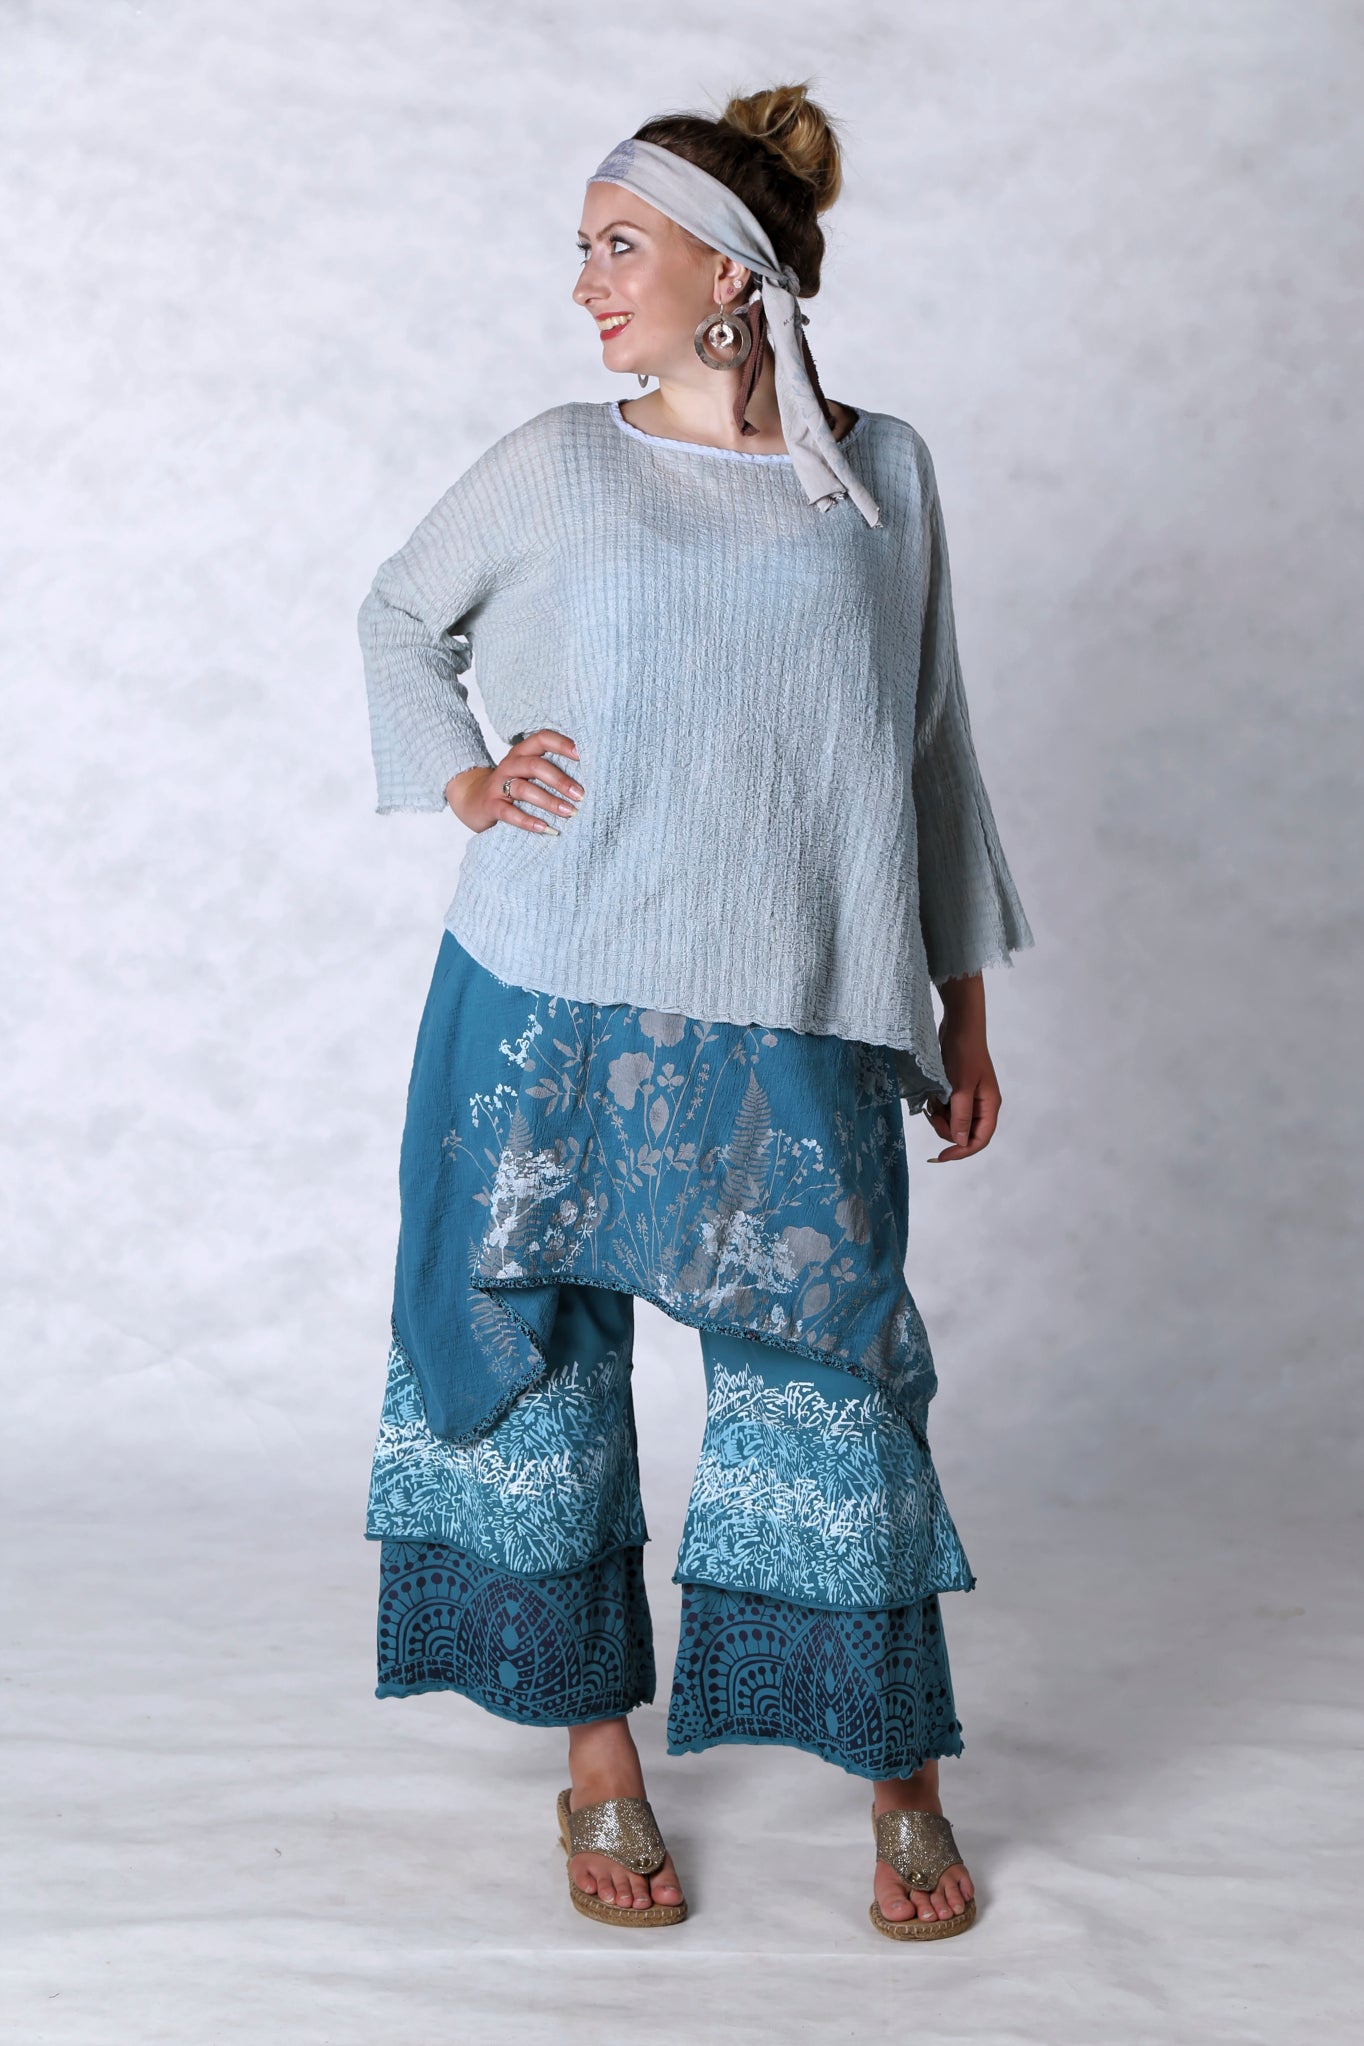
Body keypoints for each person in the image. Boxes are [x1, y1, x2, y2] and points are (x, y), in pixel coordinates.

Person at [357, 82, 1034, 1941]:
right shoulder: (559, 464)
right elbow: (400, 618)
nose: (584, 282)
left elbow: (927, 749)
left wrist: (959, 1010)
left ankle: (899, 1774)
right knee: (540, 1359)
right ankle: (599, 1761)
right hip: (542, 1000)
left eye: (617, 245)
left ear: (732, 275)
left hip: (788, 1007)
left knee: (833, 1375)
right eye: (584, 246)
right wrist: (470, 778)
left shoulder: (880, 477)